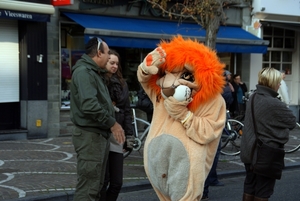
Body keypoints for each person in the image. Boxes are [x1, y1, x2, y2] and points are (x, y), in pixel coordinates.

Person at [70, 37, 125, 201]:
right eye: (107, 53)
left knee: (95, 187)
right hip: (90, 138)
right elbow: (89, 105)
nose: (109, 57)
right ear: (99, 53)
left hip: (96, 137)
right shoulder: (84, 73)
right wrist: (113, 124)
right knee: (88, 189)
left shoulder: (93, 72)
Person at [240, 67, 296, 201]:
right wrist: (281, 131)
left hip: (249, 151)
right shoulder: (274, 103)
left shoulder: (253, 97)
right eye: (278, 82)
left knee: (250, 185)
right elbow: (292, 122)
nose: (279, 85)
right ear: (272, 83)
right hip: (266, 154)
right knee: (263, 190)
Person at [100, 50, 134, 201]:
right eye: (111, 63)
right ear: (105, 62)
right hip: (102, 133)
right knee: (103, 180)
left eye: (116, 64)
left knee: (117, 182)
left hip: (118, 135)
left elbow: (127, 111)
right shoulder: (99, 81)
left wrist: (129, 137)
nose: (114, 66)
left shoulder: (122, 83)